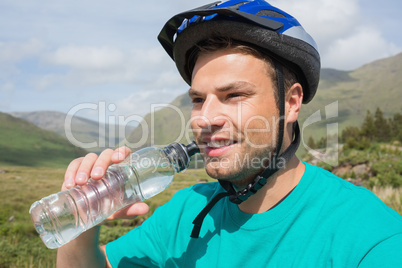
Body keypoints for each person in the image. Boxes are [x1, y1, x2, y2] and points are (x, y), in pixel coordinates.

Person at [57, 1, 402, 267]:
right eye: (197, 99)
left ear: (292, 103)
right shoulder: (187, 211)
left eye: (233, 95)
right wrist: (81, 224)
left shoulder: (371, 236)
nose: (204, 119)